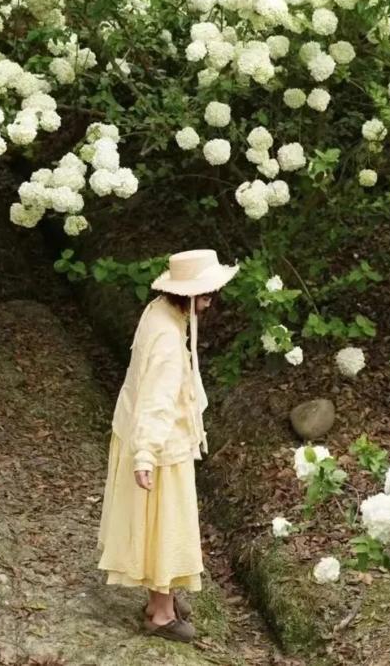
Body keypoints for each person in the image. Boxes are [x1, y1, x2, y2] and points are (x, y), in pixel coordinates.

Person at [97, 248, 239, 642]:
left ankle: (164, 598)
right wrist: (145, 453)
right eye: (206, 293)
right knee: (164, 525)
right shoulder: (166, 336)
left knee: (162, 522)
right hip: (159, 442)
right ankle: (160, 613)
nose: (210, 301)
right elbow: (156, 398)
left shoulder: (160, 311)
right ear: (188, 294)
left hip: (153, 434)